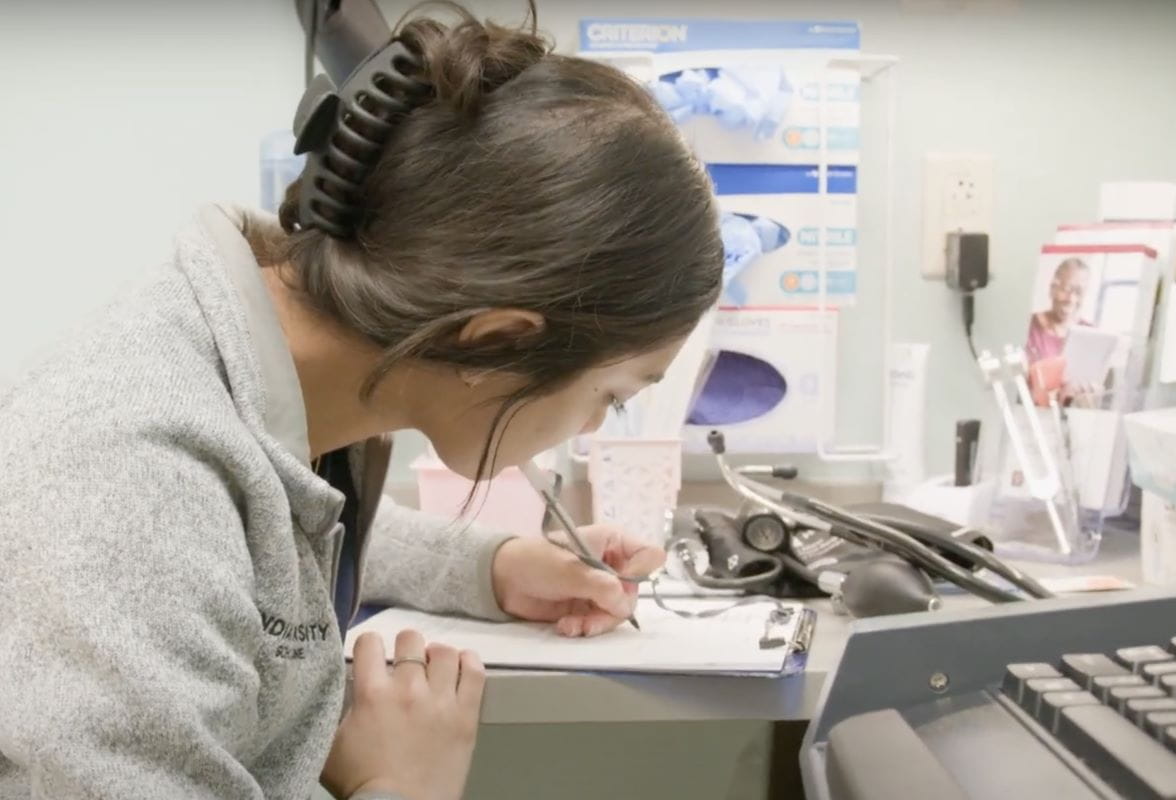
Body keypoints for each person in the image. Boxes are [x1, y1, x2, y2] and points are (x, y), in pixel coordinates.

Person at [0, 4, 722, 800]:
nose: (590, 424)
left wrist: (492, 567)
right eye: (611, 396)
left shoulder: (276, 388)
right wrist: (398, 789)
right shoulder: (130, 479)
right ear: (495, 342)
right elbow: (175, 536)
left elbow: (253, 544)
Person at [1025, 256, 1094, 406]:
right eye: (1066, 289)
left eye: (1079, 292)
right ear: (1052, 288)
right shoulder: (1027, 327)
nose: (1071, 299)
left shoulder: (1091, 334)